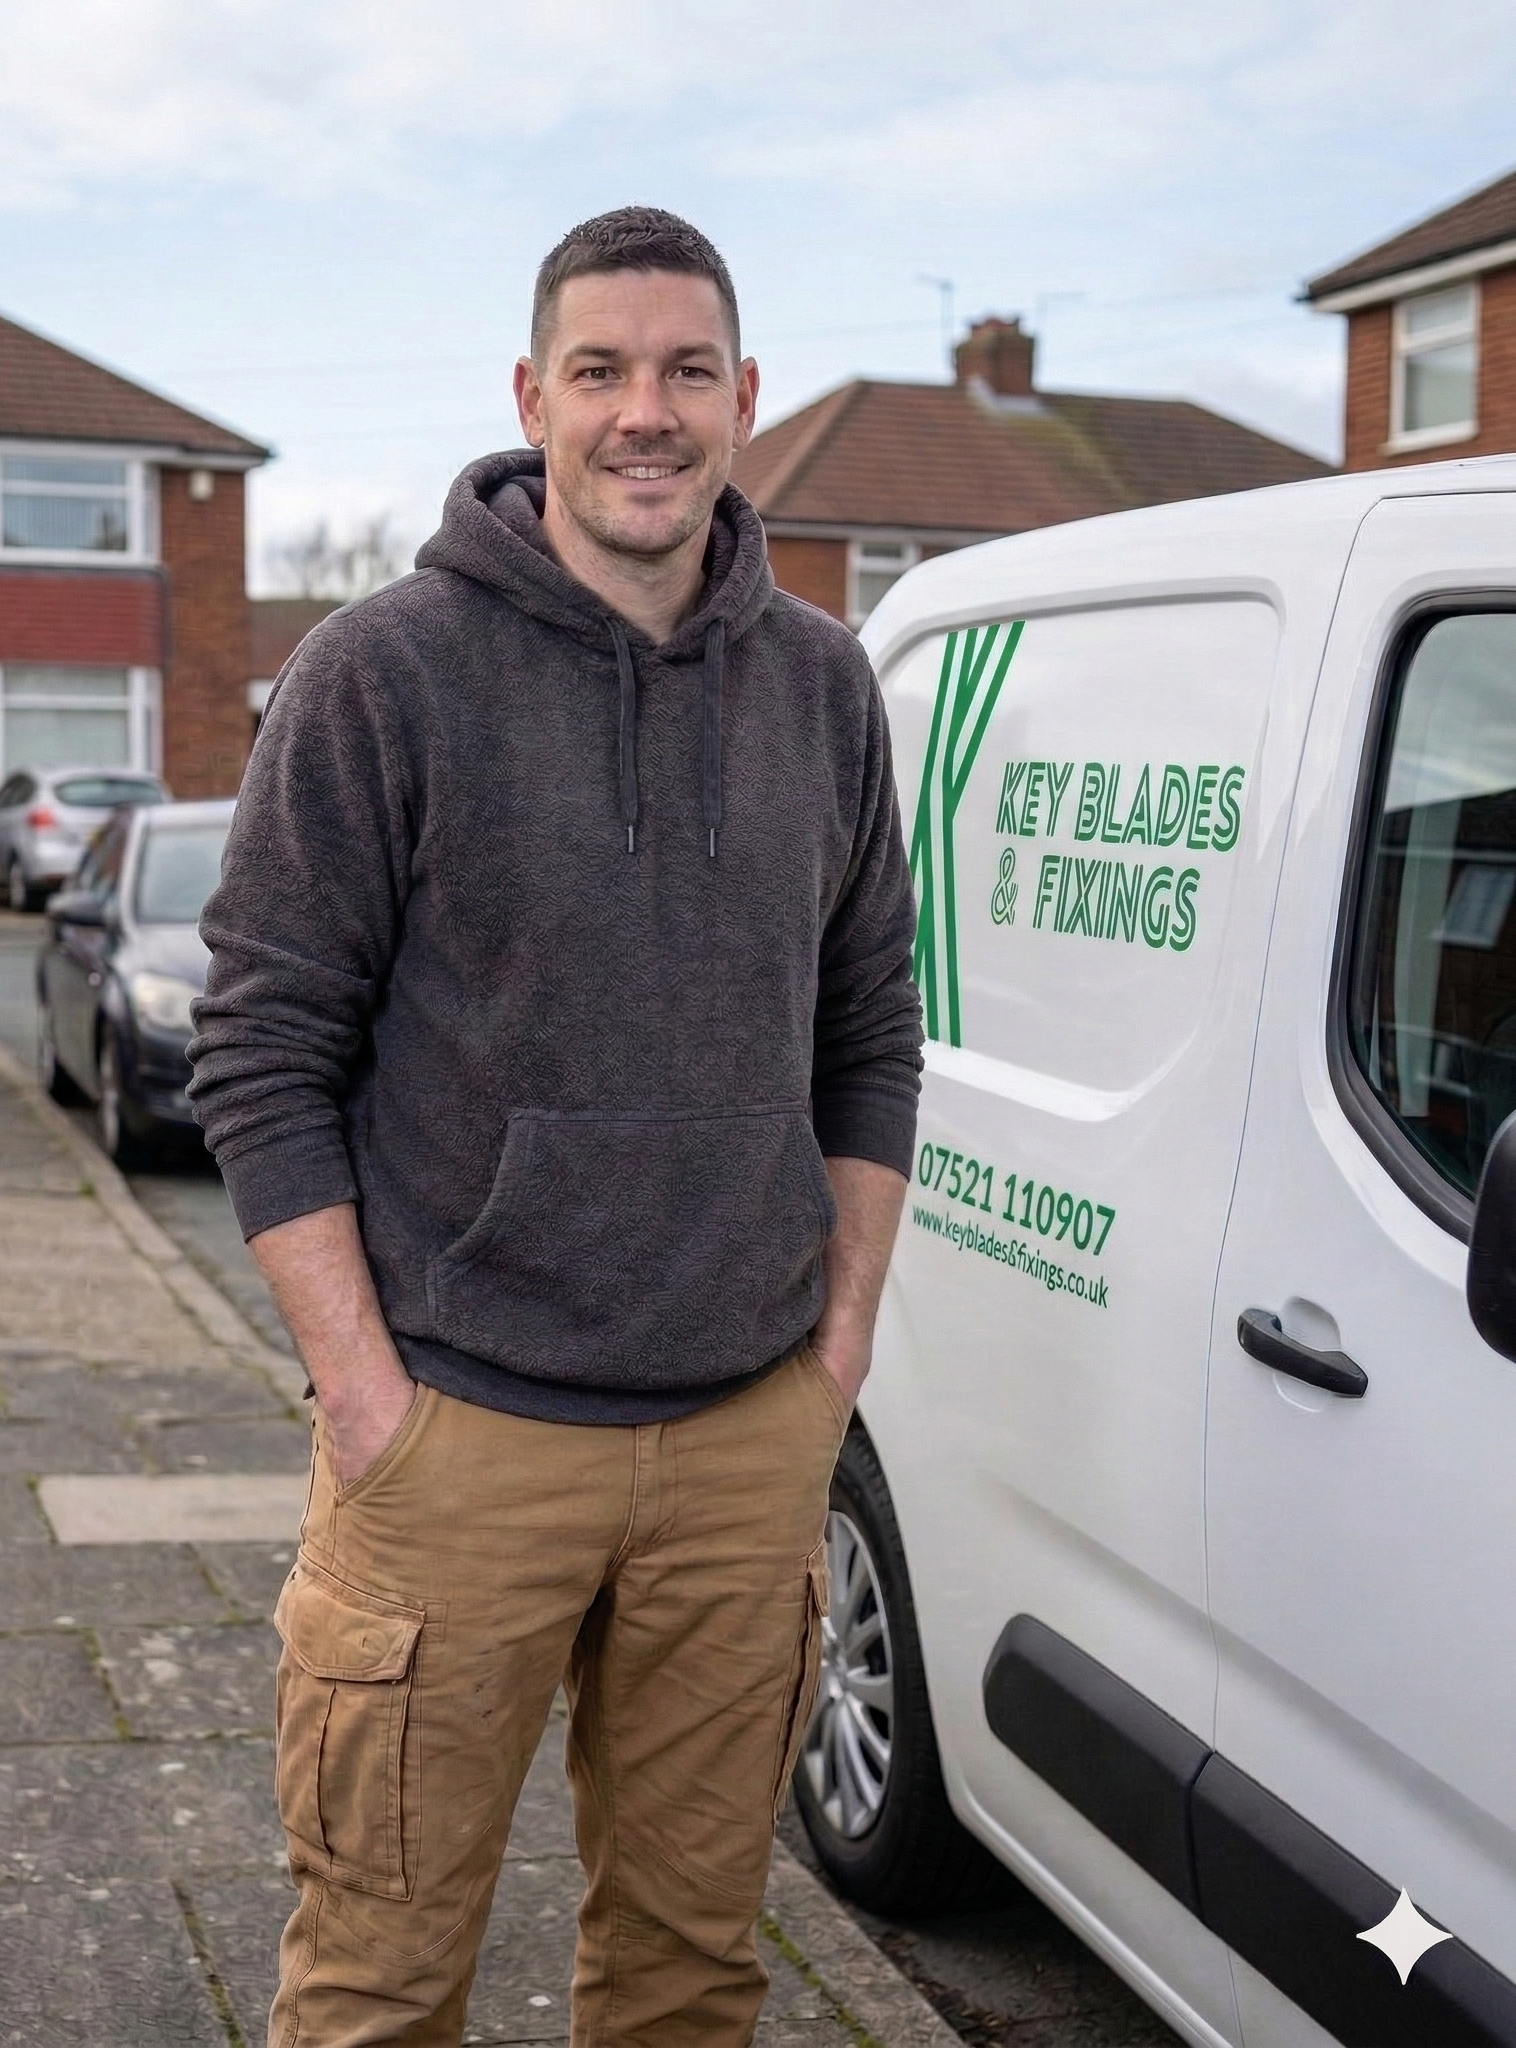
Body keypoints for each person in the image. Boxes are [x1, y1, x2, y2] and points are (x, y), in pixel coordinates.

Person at [189, 205, 923, 2047]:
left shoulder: (826, 689)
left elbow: (872, 1031)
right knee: (375, 1986)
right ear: (534, 397)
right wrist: (366, 1398)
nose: (644, 413)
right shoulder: (384, 672)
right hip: (460, 1446)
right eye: (600, 372)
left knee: (690, 1981)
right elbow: (263, 1049)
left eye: (687, 371)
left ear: (745, 398)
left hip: (747, 1443)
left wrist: (834, 1351)